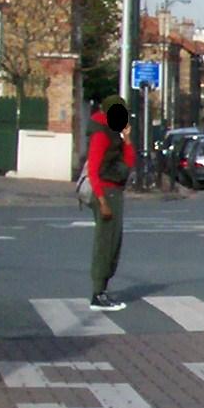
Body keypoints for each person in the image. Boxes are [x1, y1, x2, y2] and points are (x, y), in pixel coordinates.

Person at [85, 95, 136, 310]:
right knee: (105, 243)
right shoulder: (101, 134)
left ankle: (102, 290)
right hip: (106, 192)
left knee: (113, 243)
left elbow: (129, 162)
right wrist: (102, 200)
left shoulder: (113, 133)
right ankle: (98, 293)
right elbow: (93, 169)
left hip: (115, 191)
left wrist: (127, 140)